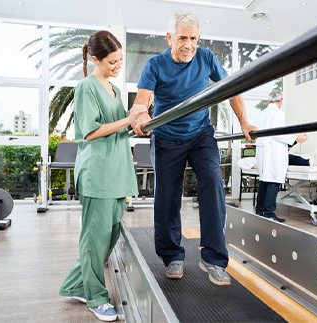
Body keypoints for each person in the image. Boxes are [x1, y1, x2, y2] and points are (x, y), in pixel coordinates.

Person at [131, 9, 257, 286]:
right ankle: (172, 255)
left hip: (201, 134)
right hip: (166, 136)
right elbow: (141, 102)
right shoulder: (155, 65)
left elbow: (231, 89)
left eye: (194, 39)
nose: (189, 45)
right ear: (169, 38)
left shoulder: (206, 58)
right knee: (167, 197)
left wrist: (245, 123)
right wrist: (141, 116)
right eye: (182, 38)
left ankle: (213, 258)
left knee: (212, 183)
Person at [59, 31, 148, 322]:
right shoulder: (86, 87)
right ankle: (96, 297)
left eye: (120, 60)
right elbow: (91, 131)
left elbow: (120, 128)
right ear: (95, 59)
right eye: (112, 61)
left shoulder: (114, 89)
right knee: (95, 238)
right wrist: (128, 119)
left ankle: (75, 284)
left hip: (117, 170)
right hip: (98, 173)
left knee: (109, 235)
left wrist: (139, 124)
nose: (118, 65)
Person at [255, 90, 307, 222]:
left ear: (268, 101)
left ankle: (260, 211)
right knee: (273, 180)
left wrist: (290, 142)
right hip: (273, 151)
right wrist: (297, 137)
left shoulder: (262, 114)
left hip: (264, 149)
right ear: (281, 101)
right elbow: (279, 132)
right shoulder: (278, 113)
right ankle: (269, 214)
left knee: (264, 180)